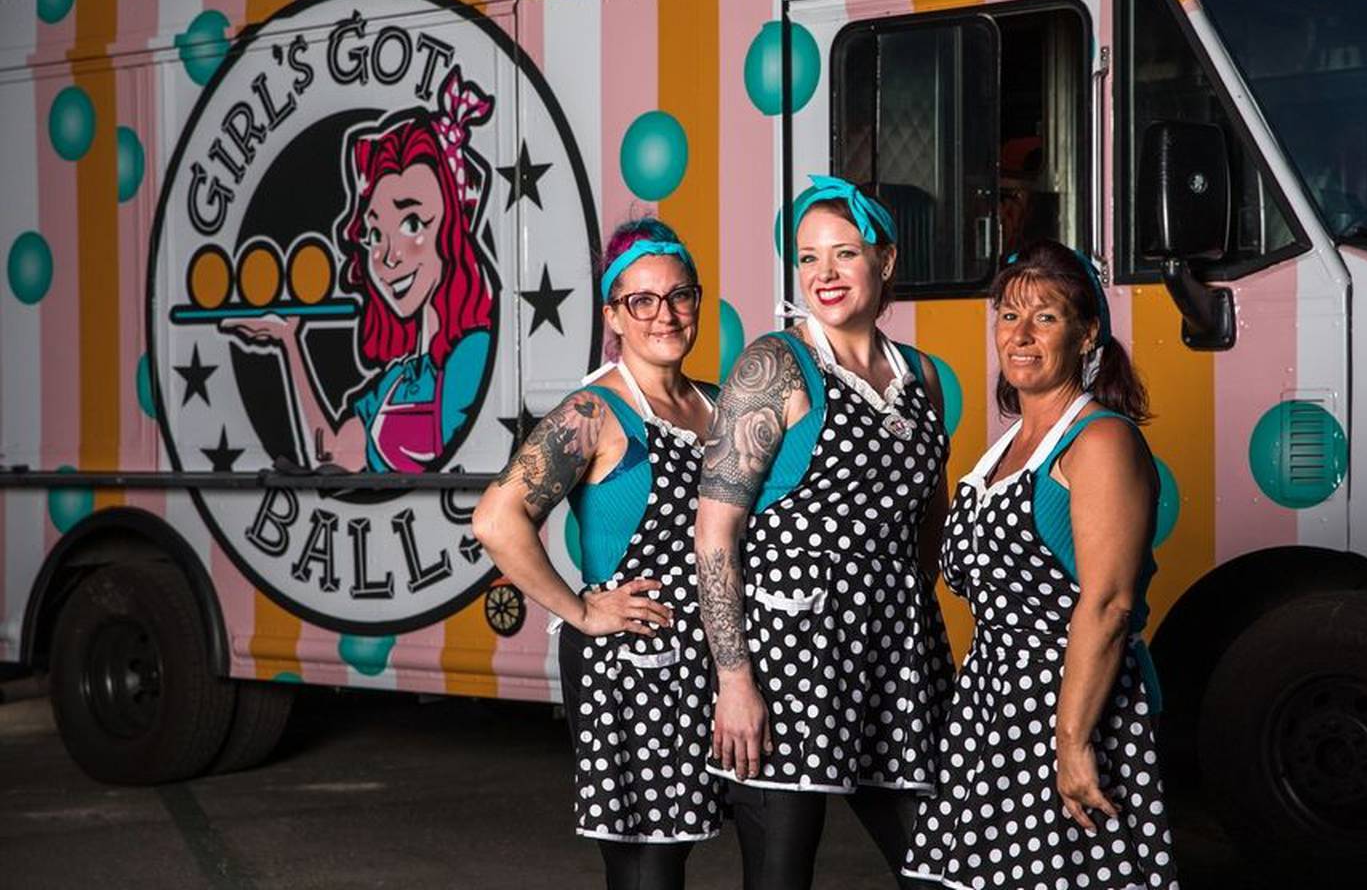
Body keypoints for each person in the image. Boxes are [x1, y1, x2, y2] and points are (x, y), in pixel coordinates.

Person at [695, 175, 954, 889]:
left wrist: (898, 601)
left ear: (886, 260)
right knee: (781, 874)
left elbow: (928, 511)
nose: (825, 275)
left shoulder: (924, 377)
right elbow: (715, 536)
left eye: (844, 254)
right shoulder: (774, 365)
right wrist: (735, 679)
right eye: (808, 258)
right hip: (788, 663)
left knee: (941, 869)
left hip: (898, 657)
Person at [903, 240, 1180, 890]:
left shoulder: (1101, 440)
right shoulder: (1002, 452)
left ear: (1087, 335)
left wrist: (1072, 743)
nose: (1020, 334)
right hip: (992, 711)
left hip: (1070, 709)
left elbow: (1109, 605)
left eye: (1045, 317)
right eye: (1008, 315)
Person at [471, 219, 722, 890]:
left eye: (679, 295)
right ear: (613, 313)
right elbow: (496, 518)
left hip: (707, 664)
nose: (664, 315)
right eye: (641, 300)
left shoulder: (716, 405)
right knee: (647, 867)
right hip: (632, 665)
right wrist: (581, 612)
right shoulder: (595, 412)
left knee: (685, 849)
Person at [224, 66, 496, 473]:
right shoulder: (398, 380)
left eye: (412, 224)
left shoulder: (472, 354)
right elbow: (332, 452)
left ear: (453, 232)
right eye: (374, 233)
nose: (387, 256)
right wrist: (290, 343)